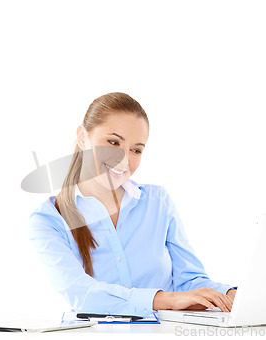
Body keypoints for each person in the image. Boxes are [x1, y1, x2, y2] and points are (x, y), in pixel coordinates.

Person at [28, 92, 237, 317]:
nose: (124, 160)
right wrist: (163, 299)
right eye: (113, 142)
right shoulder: (48, 219)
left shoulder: (157, 202)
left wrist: (233, 296)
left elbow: (190, 281)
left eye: (136, 150)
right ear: (82, 136)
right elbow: (82, 294)